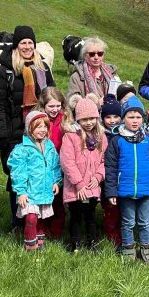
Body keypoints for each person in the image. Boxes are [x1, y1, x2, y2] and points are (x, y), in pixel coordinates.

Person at [0, 25, 55, 229]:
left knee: (39, 174)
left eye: (30, 43)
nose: (27, 47)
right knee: (17, 176)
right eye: (23, 43)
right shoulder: (5, 71)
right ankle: (17, 222)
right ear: (16, 46)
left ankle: (39, 223)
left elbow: (51, 97)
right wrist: (2, 135)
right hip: (14, 133)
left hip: (40, 132)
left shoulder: (42, 68)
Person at [104, 96, 149, 266]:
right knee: (128, 222)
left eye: (138, 117)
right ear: (123, 118)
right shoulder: (117, 141)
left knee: (145, 222)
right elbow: (110, 167)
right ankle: (128, 249)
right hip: (125, 190)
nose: (134, 120)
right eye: (130, 117)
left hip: (146, 190)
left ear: (143, 119)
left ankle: (146, 249)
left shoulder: (148, 140)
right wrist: (111, 191)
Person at [59, 97, 108, 252]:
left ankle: (92, 242)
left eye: (92, 118)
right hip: (76, 187)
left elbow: (104, 160)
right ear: (78, 119)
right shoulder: (71, 136)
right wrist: (79, 183)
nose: (89, 123)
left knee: (91, 215)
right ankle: (75, 243)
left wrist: (99, 176)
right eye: (84, 119)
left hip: (92, 184)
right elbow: (68, 162)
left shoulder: (101, 137)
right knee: (75, 215)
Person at [9, 110, 62, 251]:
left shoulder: (49, 146)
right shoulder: (22, 149)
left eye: (45, 126)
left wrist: (56, 181)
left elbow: (55, 165)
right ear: (30, 128)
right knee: (31, 217)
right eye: (39, 127)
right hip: (30, 191)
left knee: (42, 217)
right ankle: (30, 243)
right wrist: (21, 191)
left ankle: (40, 239)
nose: (43, 130)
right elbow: (18, 172)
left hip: (44, 189)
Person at [36, 86, 68, 241]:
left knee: (58, 202)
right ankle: (40, 230)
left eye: (58, 106)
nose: (55, 109)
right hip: (42, 166)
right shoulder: (37, 120)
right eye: (51, 106)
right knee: (42, 201)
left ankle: (55, 232)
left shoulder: (65, 119)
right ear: (43, 105)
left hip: (60, 165)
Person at [66, 36, 120, 111]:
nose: (96, 57)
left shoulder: (112, 73)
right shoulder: (77, 77)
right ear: (85, 56)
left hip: (112, 116)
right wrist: (96, 104)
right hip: (89, 118)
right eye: (92, 54)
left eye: (100, 54)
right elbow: (71, 103)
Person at [99, 96, 123, 246]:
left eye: (116, 116)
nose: (112, 120)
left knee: (121, 207)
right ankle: (111, 234)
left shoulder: (123, 134)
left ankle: (122, 232)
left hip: (122, 175)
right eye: (108, 117)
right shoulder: (101, 135)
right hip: (106, 176)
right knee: (110, 207)